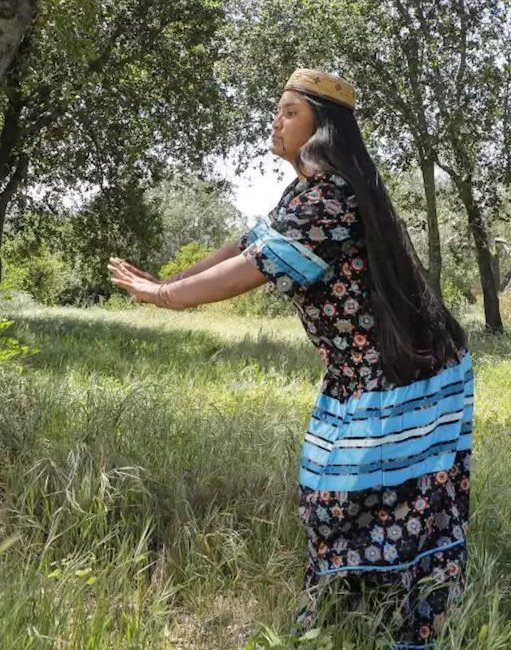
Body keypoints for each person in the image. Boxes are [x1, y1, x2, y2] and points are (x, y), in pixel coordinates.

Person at [108, 69, 473, 649]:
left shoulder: (331, 199)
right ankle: (348, 615)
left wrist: (164, 297)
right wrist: (167, 281)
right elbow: (243, 243)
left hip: (405, 378)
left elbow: (253, 268)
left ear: (323, 127)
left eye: (289, 112)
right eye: (276, 111)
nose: (275, 122)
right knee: (336, 497)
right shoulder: (305, 192)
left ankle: (414, 624)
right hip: (357, 375)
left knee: (386, 498)